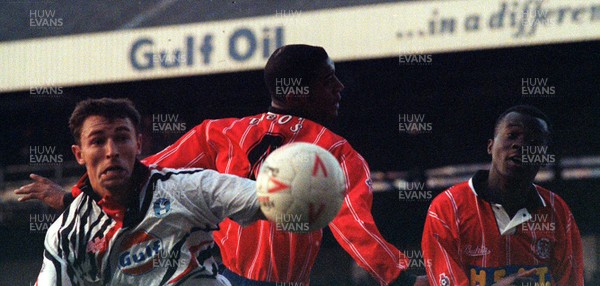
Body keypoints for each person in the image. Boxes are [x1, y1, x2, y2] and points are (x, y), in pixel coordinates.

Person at [18, 45, 426, 285]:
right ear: (298, 91)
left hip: (225, 276)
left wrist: (71, 195)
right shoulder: (336, 153)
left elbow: (140, 172)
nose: (339, 88)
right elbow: (354, 225)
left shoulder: (222, 132)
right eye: (327, 81)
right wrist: (402, 278)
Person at [36, 98, 266, 285]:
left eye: (122, 138)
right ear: (79, 154)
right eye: (97, 141)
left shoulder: (188, 188)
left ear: (138, 144)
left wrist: (288, 191)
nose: (112, 151)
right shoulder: (66, 234)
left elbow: (266, 198)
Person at [421, 105, 584, 286]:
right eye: (512, 135)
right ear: (490, 146)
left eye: (534, 141)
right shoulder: (446, 208)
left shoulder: (558, 212)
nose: (520, 145)